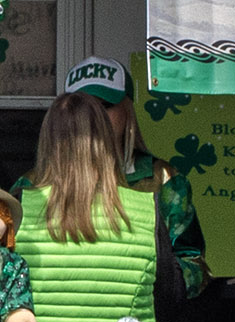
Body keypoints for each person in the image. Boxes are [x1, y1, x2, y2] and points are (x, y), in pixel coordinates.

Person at [7, 92, 179, 322]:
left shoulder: (19, 208)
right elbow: (170, 302)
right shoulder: (148, 209)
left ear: (48, 142)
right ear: (107, 140)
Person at [64, 57, 209, 306]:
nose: (95, 118)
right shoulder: (36, 184)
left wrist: (143, 276)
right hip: (61, 320)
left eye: (105, 106)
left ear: (127, 111)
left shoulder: (163, 181)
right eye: (85, 109)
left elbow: (194, 267)